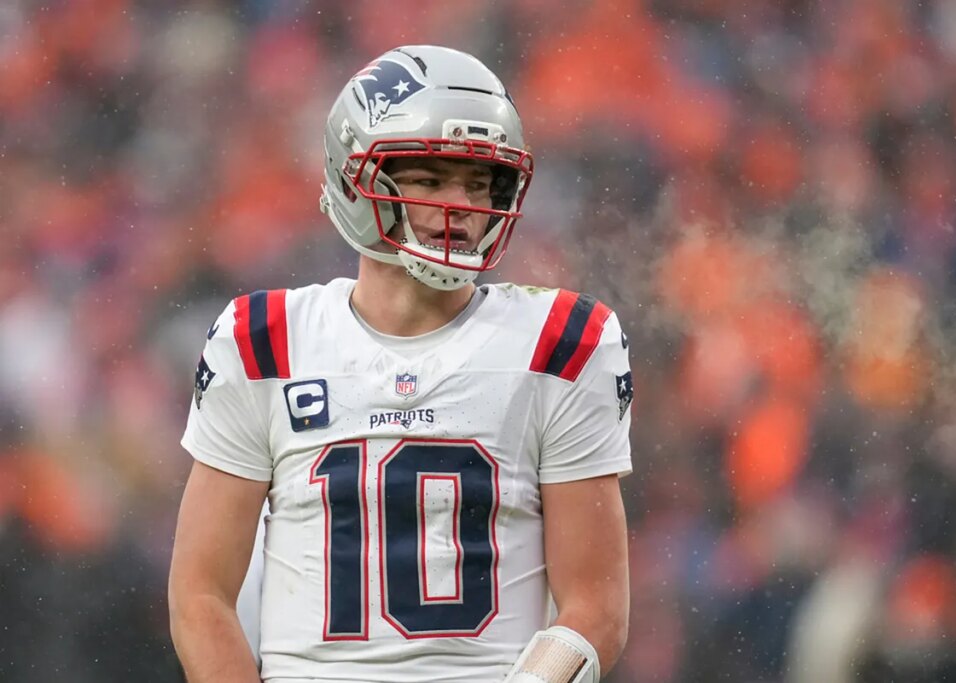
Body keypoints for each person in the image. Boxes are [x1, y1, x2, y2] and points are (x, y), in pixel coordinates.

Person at [168, 45, 633, 683]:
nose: (461, 206)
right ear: (355, 179)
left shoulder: (559, 343)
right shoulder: (263, 342)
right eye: (430, 180)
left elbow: (597, 608)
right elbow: (201, 597)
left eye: (479, 184)